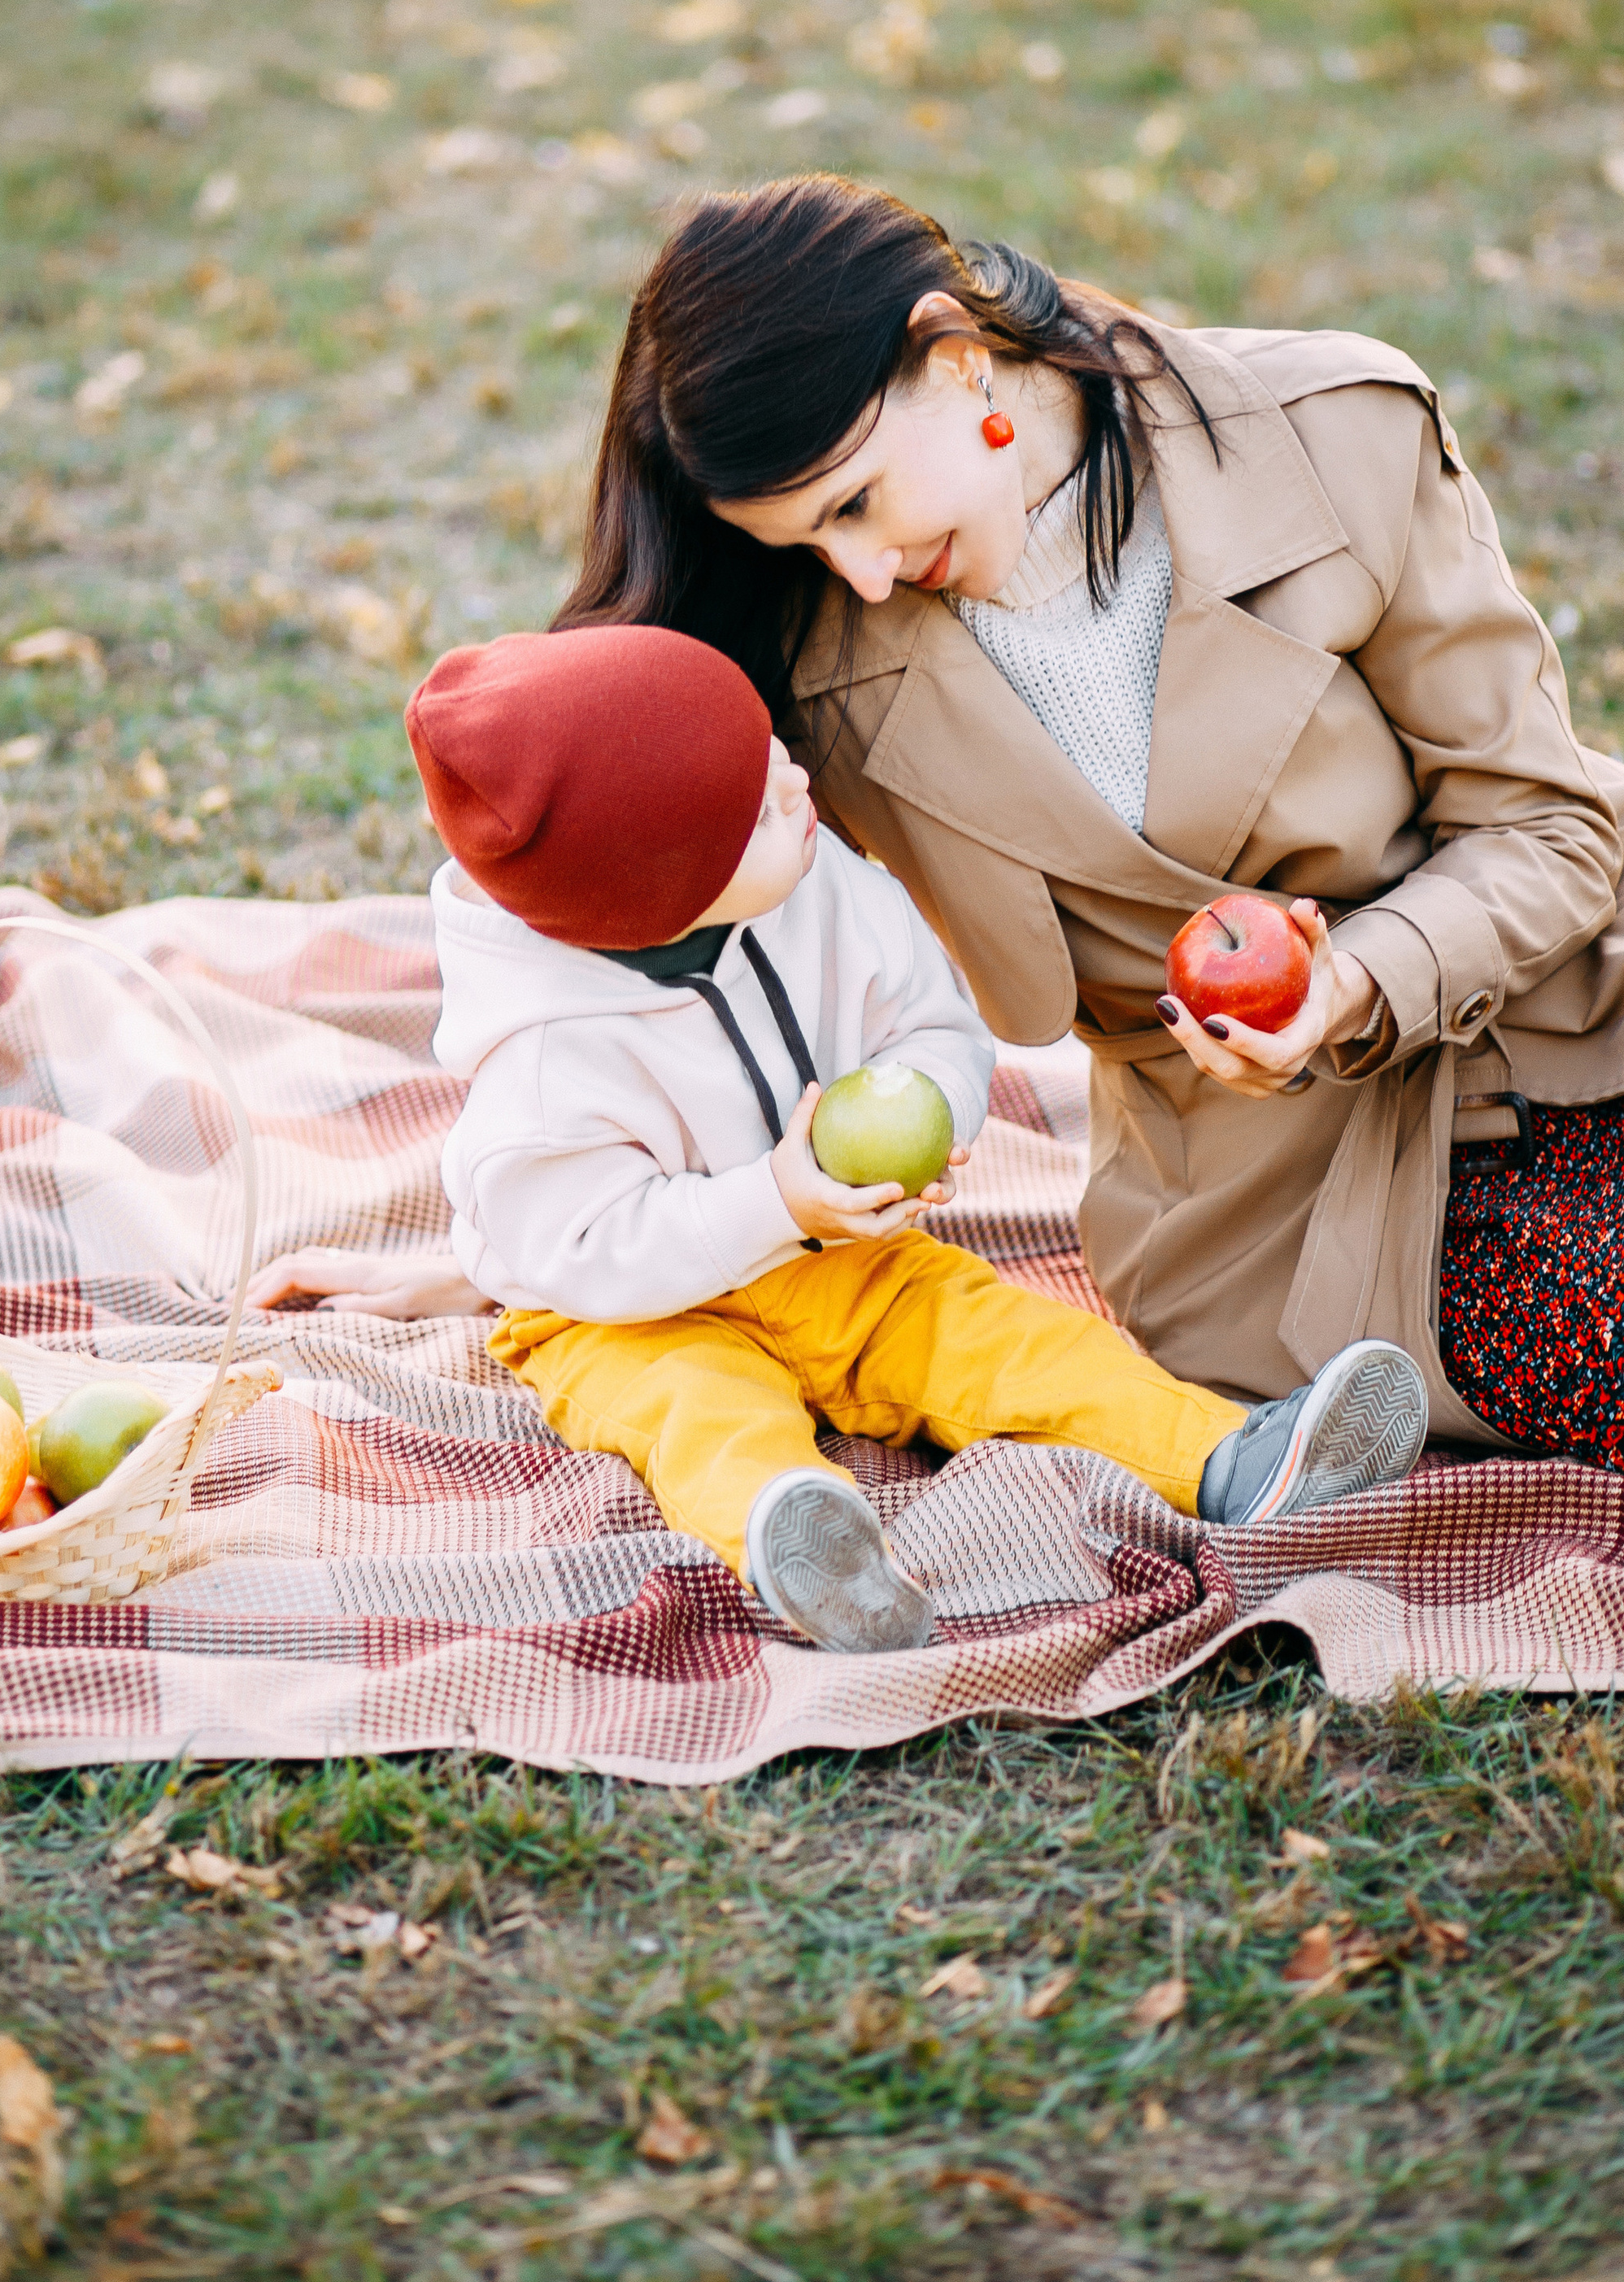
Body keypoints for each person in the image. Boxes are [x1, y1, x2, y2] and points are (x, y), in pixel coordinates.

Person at [555, 174, 1624, 1543]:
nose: (857, 573)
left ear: (957, 355)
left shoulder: (1330, 433)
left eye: (856, 503)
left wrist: (1352, 981)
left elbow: (1551, 830)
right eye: (808, 542)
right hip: (1286, 1180)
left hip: (1602, 977)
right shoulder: (808, 661)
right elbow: (592, 848)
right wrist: (569, 1204)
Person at [393, 621, 1429, 1653]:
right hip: (626, 1310)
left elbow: (931, 1022)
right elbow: (581, 1250)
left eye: (771, 753)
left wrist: (926, 1105)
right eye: (754, 808)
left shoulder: (816, 878)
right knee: (695, 1413)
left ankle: (1241, 1459)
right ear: (660, 898)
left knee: (1010, 1341)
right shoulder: (540, 1065)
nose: (797, 787)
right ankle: (804, 1541)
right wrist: (773, 1203)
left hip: (848, 1257)